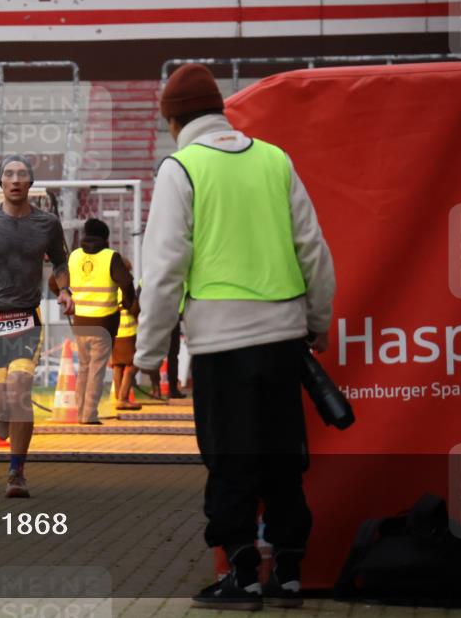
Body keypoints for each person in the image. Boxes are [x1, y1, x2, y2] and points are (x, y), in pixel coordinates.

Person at [134, 64, 336, 610]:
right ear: (220, 108)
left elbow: (164, 270)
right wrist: (317, 322)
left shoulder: (182, 169)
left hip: (222, 348)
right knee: (283, 459)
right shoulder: (275, 160)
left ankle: (242, 576)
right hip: (283, 341)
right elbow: (313, 251)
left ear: (173, 119)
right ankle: (289, 572)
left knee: (231, 459)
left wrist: (148, 355)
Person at [0, 154, 73, 498]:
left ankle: (16, 472)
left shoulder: (47, 224)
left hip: (25, 320)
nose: (16, 179)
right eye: (9, 174)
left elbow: (61, 259)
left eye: (22, 174)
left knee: (20, 392)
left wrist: (64, 289)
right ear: (1, 183)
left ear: (30, 183)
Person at [68, 218, 136, 423]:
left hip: (80, 320)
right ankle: (89, 414)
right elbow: (126, 282)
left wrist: (68, 298)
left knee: (84, 367)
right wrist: (126, 302)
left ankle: (80, 412)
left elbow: (56, 280)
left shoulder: (74, 256)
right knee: (96, 369)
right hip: (104, 322)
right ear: (105, 238)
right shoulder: (110, 257)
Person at [111, 258, 142, 410]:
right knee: (132, 366)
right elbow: (134, 309)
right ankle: (123, 398)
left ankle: (118, 398)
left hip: (114, 332)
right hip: (127, 331)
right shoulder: (124, 288)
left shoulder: (110, 287)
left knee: (118, 366)